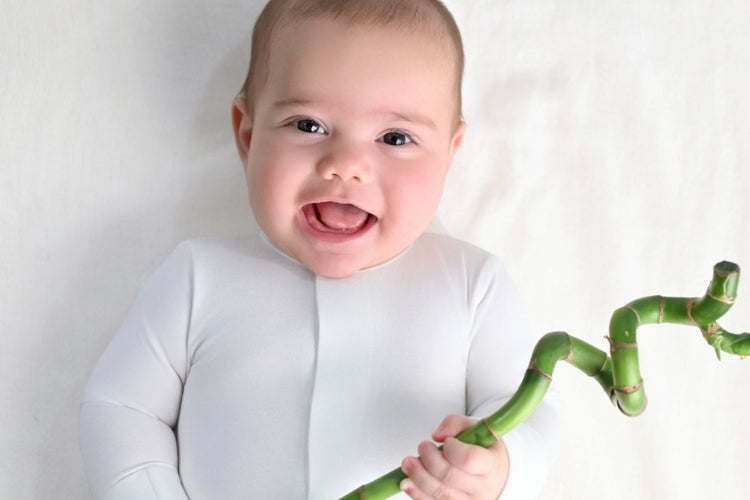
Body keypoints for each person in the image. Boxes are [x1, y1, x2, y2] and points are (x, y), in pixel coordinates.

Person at [79, 1, 561, 499]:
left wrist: (500, 470)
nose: (346, 165)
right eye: (308, 125)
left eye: (396, 137)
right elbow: (122, 407)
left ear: (449, 155)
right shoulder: (201, 274)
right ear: (247, 134)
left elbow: (528, 409)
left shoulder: (472, 283)